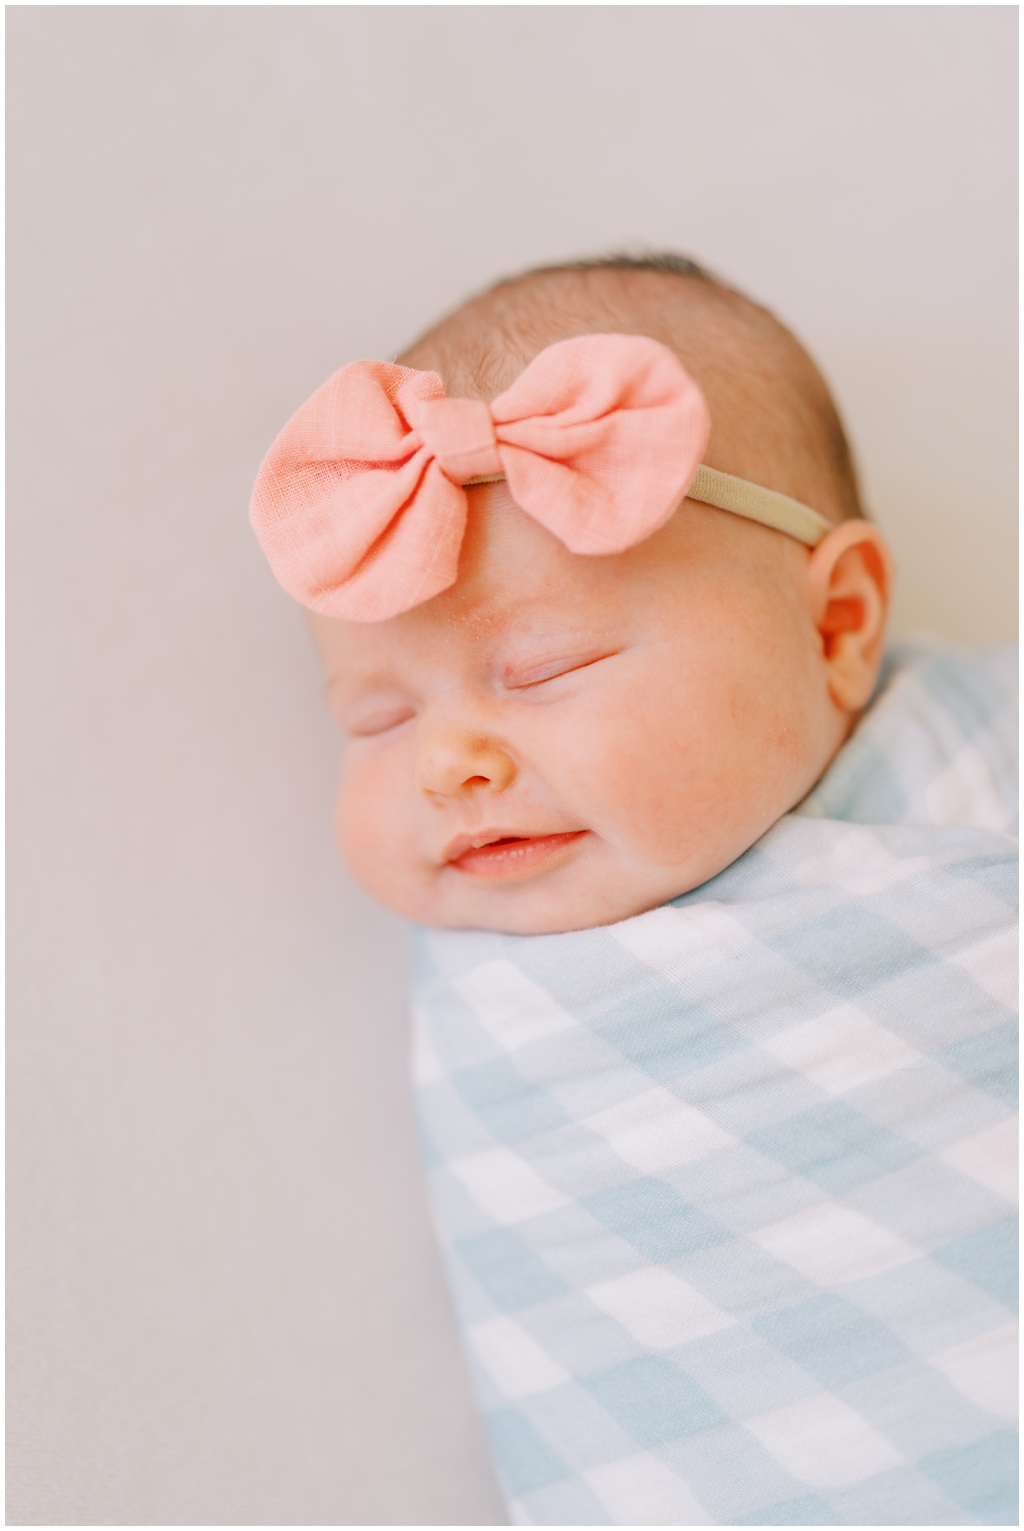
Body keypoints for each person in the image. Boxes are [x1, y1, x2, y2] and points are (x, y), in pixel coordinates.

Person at [251, 256, 1017, 1525]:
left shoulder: (978, 741)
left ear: (835, 624)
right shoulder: (517, 1005)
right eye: (375, 715)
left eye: (545, 666)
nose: (448, 761)